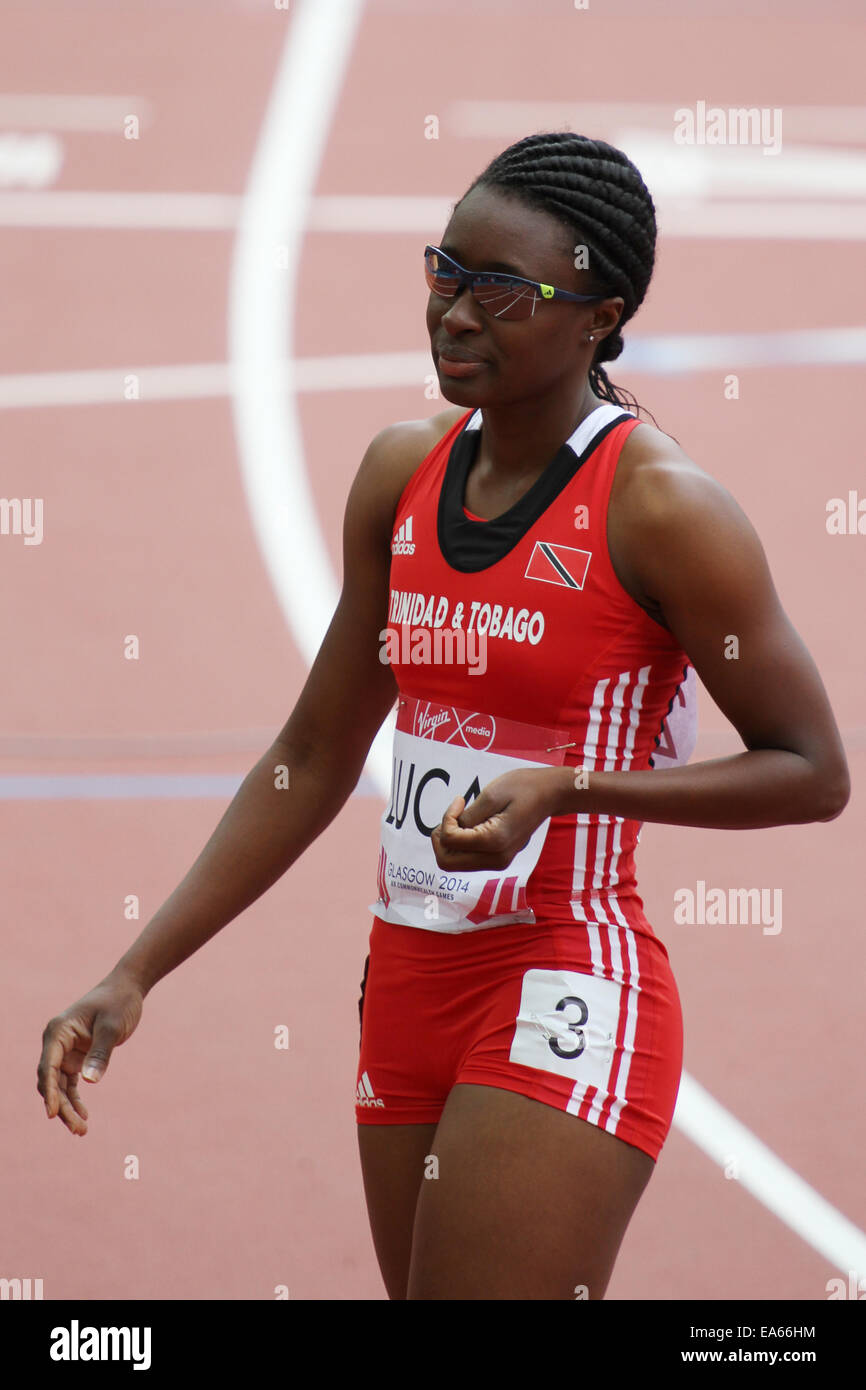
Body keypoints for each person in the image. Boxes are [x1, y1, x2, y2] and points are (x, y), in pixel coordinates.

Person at [38, 133, 849, 1301]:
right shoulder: (399, 474)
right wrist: (135, 970)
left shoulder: (662, 510)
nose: (455, 315)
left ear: (596, 316)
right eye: (444, 272)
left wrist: (572, 788)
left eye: (502, 292)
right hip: (406, 979)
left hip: (566, 971)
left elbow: (810, 770)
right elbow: (314, 751)